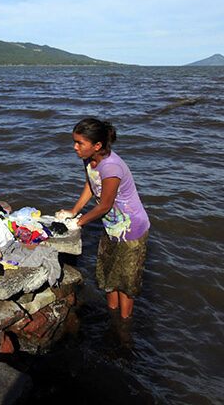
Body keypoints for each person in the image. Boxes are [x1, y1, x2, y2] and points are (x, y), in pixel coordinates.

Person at [59, 118, 150, 319]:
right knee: (109, 275)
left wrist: (79, 222)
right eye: (75, 142)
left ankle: (123, 325)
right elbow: (90, 186)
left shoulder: (111, 167)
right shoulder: (89, 159)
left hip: (131, 228)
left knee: (125, 282)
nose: (75, 147)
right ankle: (112, 315)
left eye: (79, 143)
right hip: (111, 226)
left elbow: (105, 205)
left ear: (97, 145)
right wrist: (74, 212)